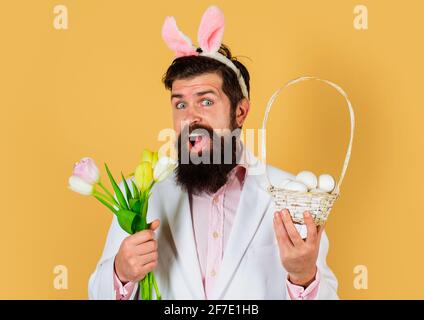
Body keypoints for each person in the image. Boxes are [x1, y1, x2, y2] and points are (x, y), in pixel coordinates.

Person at [88, 6, 338, 300]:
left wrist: (303, 276)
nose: (190, 117)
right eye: (180, 104)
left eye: (206, 102)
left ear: (241, 111)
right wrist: (121, 272)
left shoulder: (291, 194)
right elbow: (98, 294)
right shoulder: (138, 193)